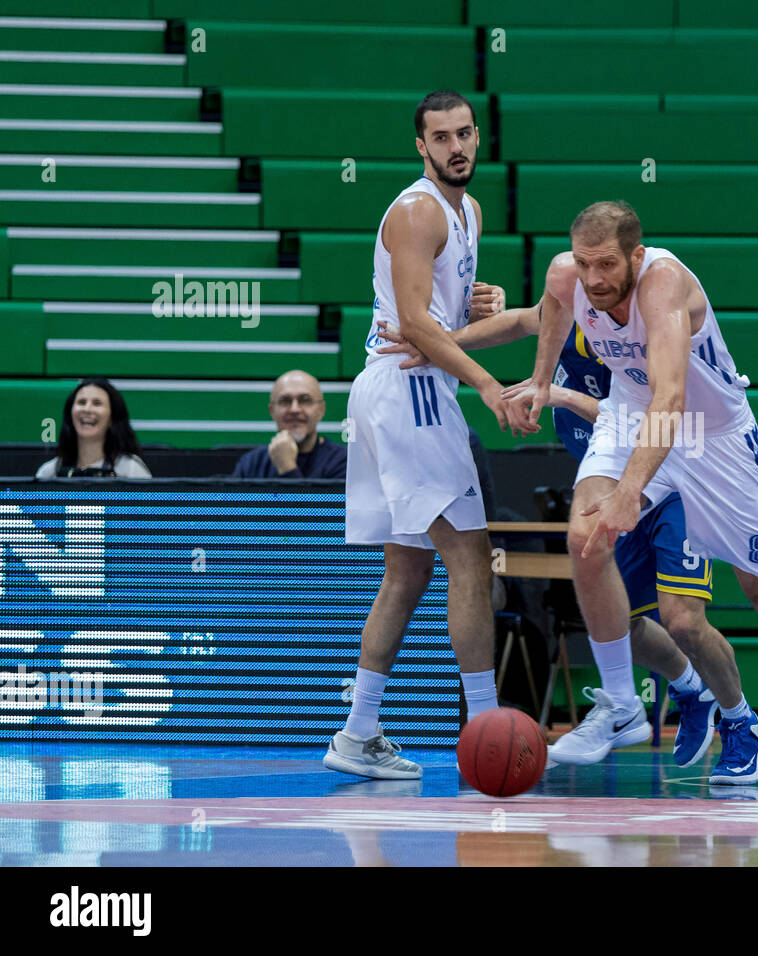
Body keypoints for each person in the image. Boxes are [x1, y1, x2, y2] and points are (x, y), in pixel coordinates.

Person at [505, 201, 758, 794]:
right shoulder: (569, 276)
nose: (594, 279)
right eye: (585, 264)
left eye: (607, 264)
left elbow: (671, 398)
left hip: (709, 433)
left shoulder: (664, 284)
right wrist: (539, 381)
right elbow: (557, 313)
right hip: (630, 416)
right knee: (583, 535)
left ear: (635, 255)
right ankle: (625, 705)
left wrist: (631, 491)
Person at [378, 296, 750, 778]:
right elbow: (514, 321)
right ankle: (685, 686)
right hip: (618, 489)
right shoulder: (575, 314)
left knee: (683, 620)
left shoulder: (644, 327)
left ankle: (740, 720)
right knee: (622, 624)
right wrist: (438, 344)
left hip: (675, 475)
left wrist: (561, 395)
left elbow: (652, 417)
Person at [323, 90, 510, 781]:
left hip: (397, 392)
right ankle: (488, 733)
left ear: (477, 135)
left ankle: (358, 731)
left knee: (407, 568)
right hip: (409, 390)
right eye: (441, 137)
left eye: (464, 133)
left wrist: (473, 298)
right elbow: (415, 324)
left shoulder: (469, 212)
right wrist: (489, 385)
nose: (456, 146)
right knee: (470, 553)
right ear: (421, 147)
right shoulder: (416, 211)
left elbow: (438, 311)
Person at [232, 370, 347, 478]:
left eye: (305, 400)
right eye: (285, 401)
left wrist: (286, 467)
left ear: (321, 410)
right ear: (272, 411)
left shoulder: (343, 462)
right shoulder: (250, 464)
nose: (294, 409)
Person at [36, 378, 152, 478]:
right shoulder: (50, 472)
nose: (87, 409)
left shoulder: (131, 470)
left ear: (112, 417)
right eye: (82, 402)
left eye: (97, 403)